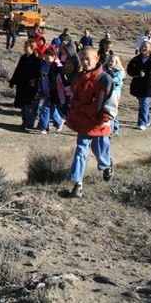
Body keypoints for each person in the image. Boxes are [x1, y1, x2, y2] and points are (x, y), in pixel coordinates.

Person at [66, 47, 118, 198]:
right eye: (82, 59)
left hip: (99, 123)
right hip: (84, 121)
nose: (85, 62)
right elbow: (74, 97)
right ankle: (77, 184)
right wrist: (71, 112)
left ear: (97, 58)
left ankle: (107, 164)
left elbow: (112, 100)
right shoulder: (80, 78)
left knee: (100, 151)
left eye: (88, 59)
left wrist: (106, 116)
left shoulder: (105, 79)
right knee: (80, 151)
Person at [126, 41, 151, 130]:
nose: (144, 48)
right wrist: (138, 73)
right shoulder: (136, 59)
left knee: (144, 103)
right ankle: (147, 120)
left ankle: (142, 122)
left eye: (146, 47)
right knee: (143, 104)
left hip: (149, 86)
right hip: (138, 85)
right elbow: (129, 70)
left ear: (150, 49)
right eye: (143, 47)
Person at [9, 40, 41, 130]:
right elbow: (18, 70)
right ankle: (24, 121)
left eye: (26, 46)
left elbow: (38, 73)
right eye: (24, 46)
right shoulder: (23, 57)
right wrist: (13, 81)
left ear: (32, 48)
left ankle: (30, 123)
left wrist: (34, 80)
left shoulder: (36, 59)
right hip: (22, 84)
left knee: (29, 105)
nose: (24, 48)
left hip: (31, 86)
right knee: (22, 104)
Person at [37, 49, 64, 134]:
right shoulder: (43, 66)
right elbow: (41, 79)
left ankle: (44, 128)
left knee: (45, 109)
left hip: (53, 91)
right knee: (52, 108)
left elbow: (60, 77)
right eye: (45, 58)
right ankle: (59, 122)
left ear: (54, 57)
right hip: (44, 90)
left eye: (48, 58)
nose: (47, 60)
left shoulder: (56, 67)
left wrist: (57, 62)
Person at [105, 54, 124, 135]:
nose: (110, 62)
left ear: (116, 62)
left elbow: (117, 80)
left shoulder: (119, 71)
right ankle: (113, 128)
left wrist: (109, 79)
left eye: (112, 61)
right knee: (109, 110)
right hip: (106, 92)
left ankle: (112, 129)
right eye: (109, 60)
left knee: (113, 110)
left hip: (115, 94)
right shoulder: (105, 69)